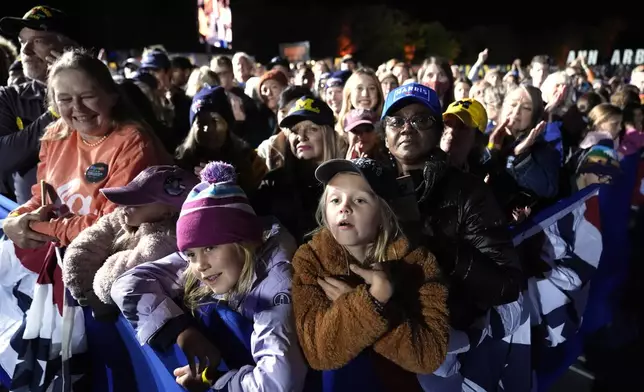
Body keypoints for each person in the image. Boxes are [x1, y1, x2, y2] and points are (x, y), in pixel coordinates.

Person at [111, 161, 308, 392]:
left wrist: (216, 381)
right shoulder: (206, 261)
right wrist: (180, 330)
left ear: (243, 242)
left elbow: (279, 383)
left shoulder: (276, 283)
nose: (200, 265)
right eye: (190, 253)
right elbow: (127, 284)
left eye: (210, 247)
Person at [292, 157, 448, 391]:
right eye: (335, 199)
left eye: (360, 200)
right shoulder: (310, 260)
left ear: (385, 213)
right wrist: (372, 302)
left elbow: (430, 354)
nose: (344, 207)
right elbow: (319, 353)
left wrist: (377, 305)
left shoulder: (416, 261)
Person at [62, 166, 198, 310]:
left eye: (136, 203)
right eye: (126, 198)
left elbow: (114, 282)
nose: (124, 207)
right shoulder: (121, 218)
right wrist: (82, 284)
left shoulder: (165, 243)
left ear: (168, 213)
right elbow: (84, 246)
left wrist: (93, 295)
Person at [0, 6, 79, 204]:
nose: (25, 51)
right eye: (22, 42)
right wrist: (55, 109)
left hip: (94, 215)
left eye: (37, 41)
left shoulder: (106, 92)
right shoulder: (9, 97)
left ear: (68, 47)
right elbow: (3, 158)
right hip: (30, 222)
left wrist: (74, 82)